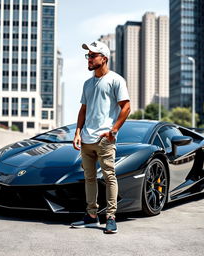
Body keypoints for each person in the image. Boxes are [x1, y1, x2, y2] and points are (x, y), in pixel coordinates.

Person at [71, 40, 130, 234]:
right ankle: (91, 216)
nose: (88, 58)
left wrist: (113, 131)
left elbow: (126, 107)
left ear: (103, 58)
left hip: (105, 139)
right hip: (87, 140)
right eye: (87, 55)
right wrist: (78, 132)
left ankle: (111, 217)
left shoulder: (116, 80)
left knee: (109, 176)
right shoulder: (87, 83)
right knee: (89, 179)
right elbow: (83, 110)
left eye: (92, 55)